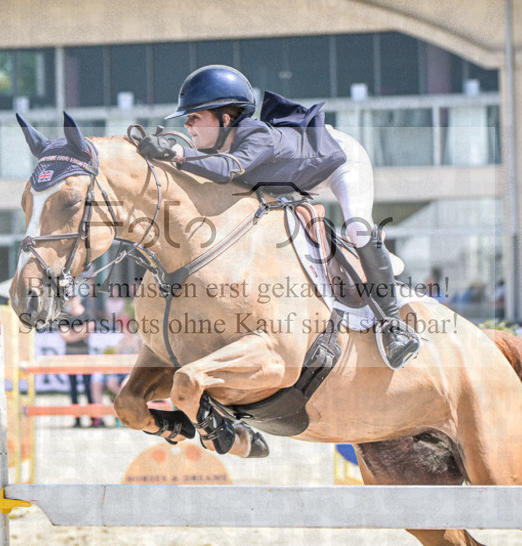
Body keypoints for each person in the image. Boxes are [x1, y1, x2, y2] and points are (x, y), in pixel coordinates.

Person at [137, 65, 419, 370]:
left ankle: (394, 326)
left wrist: (178, 152)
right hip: (295, 179)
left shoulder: (255, 135)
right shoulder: (221, 146)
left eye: (195, 117)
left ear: (225, 118)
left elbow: (226, 169)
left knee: (356, 228)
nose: (188, 124)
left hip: (341, 161)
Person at [59, 295, 97, 427]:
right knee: (73, 389)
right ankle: (77, 419)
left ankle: (93, 418)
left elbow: (87, 330)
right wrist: (81, 331)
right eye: (69, 298)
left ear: (79, 298)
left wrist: (72, 332)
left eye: (73, 297)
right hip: (70, 356)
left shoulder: (87, 313)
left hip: (84, 356)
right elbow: (65, 337)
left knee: (88, 387)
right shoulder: (65, 316)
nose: (71, 300)